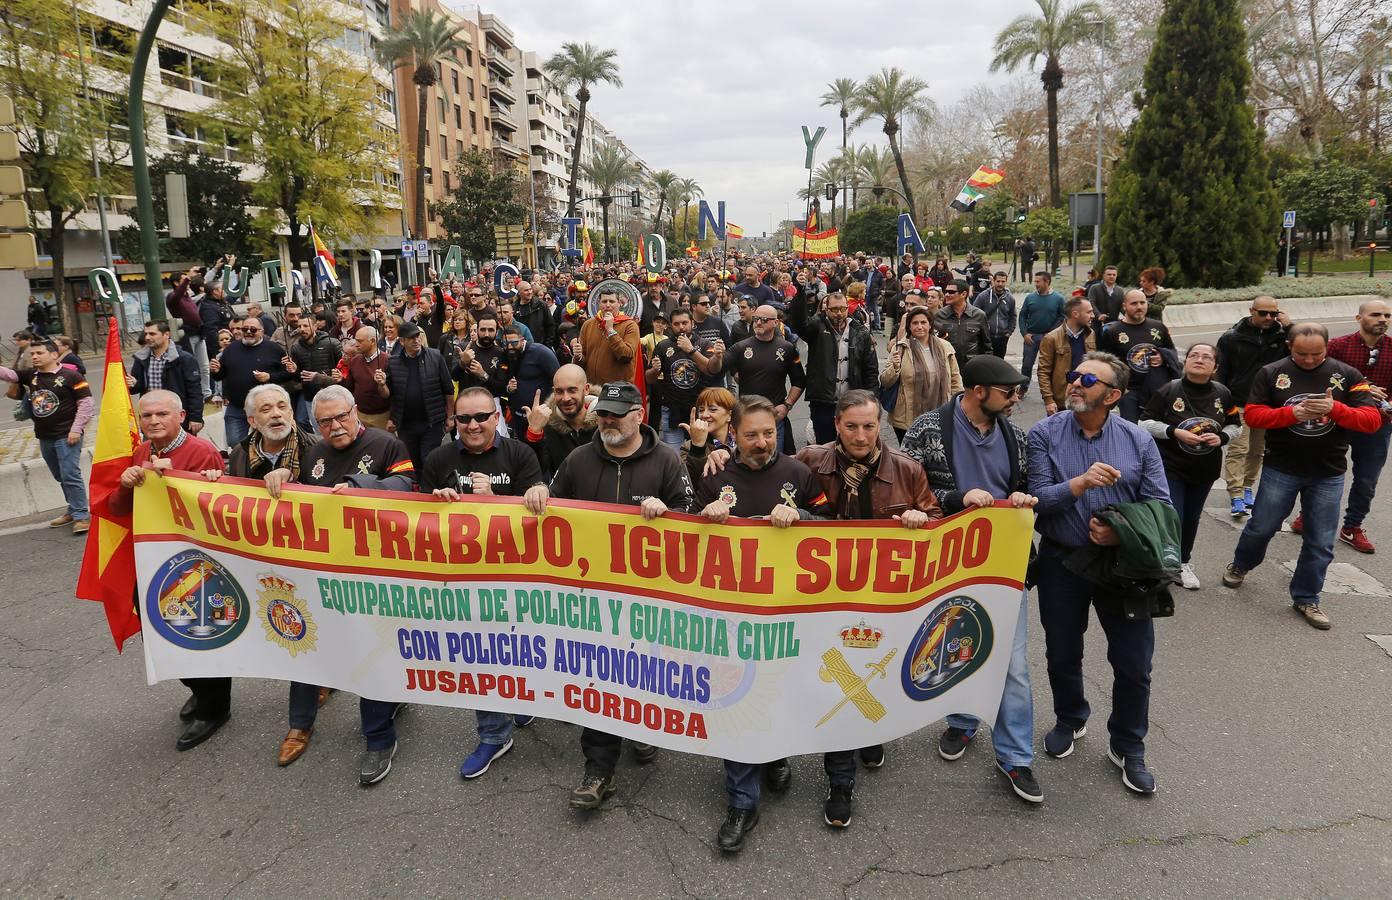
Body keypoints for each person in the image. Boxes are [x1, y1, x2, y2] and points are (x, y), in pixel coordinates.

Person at [899, 356, 1042, 804]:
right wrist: (957, 498)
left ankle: (1016, 757)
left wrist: (1021, 497)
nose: (1016, 398)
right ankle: (962, 724)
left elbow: (1031, 484)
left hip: (1002, 565)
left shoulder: (1016, 438)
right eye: (1008, 392)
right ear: (979, 391)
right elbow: (906, 487)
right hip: (947, 566)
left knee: (1013, 665)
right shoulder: (926, 429)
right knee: (955, 646)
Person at [1027, 352, 1170, 795]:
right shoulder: (1043, 434)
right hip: (1062, 560)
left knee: (1133, 662)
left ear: (1112, 395)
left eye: (1086, 379)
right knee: (1062, 652)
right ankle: (1071, 717)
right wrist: (1079, 484)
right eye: (1073, 375)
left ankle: (1128, 744)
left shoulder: (1137, 441)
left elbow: (1160, 503)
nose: (1074, 383)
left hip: (1123, 565)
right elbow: (1035, 501)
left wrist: (1120, 532)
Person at [799, 390, 943, 826]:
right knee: (840, 678)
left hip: (884, 597)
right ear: (836, 424)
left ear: (880, 424)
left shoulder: (908, 469)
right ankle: (840, 781)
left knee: (876, 668)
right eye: (851, 426)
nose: (861, 436)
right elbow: (772, 486)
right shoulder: (808, 461)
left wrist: (924, 520)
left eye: (869, 426)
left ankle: (871, 731)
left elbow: (938, 524)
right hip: (824, 595)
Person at [547, 382, 692, 811]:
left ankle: (645, 732)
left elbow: (689, 513)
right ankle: (598, 771)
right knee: (599, 678)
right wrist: (538, 495)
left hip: (648, 595)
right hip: (591, 596)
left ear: (639, 413)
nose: (608, 420)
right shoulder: (578, 458)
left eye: (617, 413)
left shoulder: (667, 459)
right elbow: (553, 506)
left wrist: (666, 514)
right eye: (603, 413)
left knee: (644, 669)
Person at [695, 395, 829, 852]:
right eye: (750, 434)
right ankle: (741, 802)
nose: (761, 442)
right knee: (737, 700)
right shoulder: (716, 474)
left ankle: (775, 755)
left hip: (787, 612)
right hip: (730, 616)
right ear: (732, 433)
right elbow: (683, 536)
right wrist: (704, 520)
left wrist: (804, 516)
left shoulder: (798, 473)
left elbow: (835, 526)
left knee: (780, 692)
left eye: (768, 432)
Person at [279, 385, 416, 782]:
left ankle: (379, 739)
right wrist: (282, 479)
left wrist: (361, 486)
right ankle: (299, 724)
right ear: (316, 424)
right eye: (325, 421)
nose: (335, 426)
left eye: (341, 416)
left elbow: (408, 488)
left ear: (355, 412)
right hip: (321, 569)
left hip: (370, 572)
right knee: (303, 642)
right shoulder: (314, 454)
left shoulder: (388, 444)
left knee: (369, 650)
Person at [421, 387, 549, 779]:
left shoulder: (520, 456)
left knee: (521, 645)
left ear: (497, 417)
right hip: (463, 581)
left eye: (481, 417)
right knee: (483, 655)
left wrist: (494, 501)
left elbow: (537, 514)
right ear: (453, 422)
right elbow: (416, 523)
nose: (473, 425)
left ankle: (523, 695)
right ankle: (494, 736)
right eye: (464, 419)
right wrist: (434, 500)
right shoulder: (439, 458)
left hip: (514, 576)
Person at [1222, 324, 1383, 630]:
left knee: (1321, 541)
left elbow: (1372, 421)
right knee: (1261, 527)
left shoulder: (1348, 375)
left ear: (1327, 348)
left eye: (1316, 354)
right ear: (1288, 346)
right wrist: (1290, 415)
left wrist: (1335, 408)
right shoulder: (1270, 373)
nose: (1309, 360)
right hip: (1281, 467)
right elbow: (1253, 415)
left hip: (1329, 472)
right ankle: (1241, 564)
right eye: (1301, 354)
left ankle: (1307, 597)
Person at [106, 391, 227, 749]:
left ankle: (215, 707)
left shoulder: (201, 451)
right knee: (159, 632)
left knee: (199, 634)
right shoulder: (142, 452)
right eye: (147, 415)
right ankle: (195, 687)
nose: (154, 421)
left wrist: (174, 479)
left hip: (194, 566)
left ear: (181, 416)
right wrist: (128, 483)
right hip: (153, 561)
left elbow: (211, 509)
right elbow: (116, 508)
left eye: (162, 414)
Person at [1139, 344, 1240, 590]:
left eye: (1207, 357)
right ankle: (1164, 564)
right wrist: (1174, 432)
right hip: (1170, 466)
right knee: (1172, 516)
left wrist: (1222, 438)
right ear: (1185, 363)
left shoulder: (1223, 393)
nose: (1199, 360)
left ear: (1215, 367)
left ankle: (1183, 562)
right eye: (1194, 355)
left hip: (1205, 469)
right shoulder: (1169, 390)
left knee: (1191, 518)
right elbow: (1143, 423)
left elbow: (1235, 425)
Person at [1309, 299, 1392, 552]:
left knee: (1367, 479)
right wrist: (1363, 387)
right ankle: (1308, 515)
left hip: (1377, 423)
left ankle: (1352, 526)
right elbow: (1317, 377)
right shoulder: (1337, 346)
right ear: (1359, 319)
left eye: (1387, 315)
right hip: (1336, 420)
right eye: (1376, 314)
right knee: (1320, 471)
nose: (1383, 319)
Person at [0, 339, 93, 533]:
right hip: (45, 436)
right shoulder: (30, 376)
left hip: (67, 435)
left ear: (53, 355)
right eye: (32, 354)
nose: (34, 357)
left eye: (39, 353)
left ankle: (81, 515)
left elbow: (86, 403)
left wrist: (76, 429)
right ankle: (73, 509)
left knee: (70, 474)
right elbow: (8, 374)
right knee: (60, 475)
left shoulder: (71, 376)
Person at [1216, 296, 1291, 517]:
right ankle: (1236, 494)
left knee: (1257, 451)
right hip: (1239, 402)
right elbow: (1221, 371)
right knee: (1239, 449)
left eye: (1273, 313)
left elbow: (1305, 344)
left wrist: (1289, 325)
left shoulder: (1283, 336)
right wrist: (1222, 400)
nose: (1269, 317)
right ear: (1251, 311)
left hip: (1267, 404)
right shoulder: (1232, 337)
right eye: (1263, 313)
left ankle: (1248, 486)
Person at [789, 290, 878, 444]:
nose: (839, 313)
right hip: (823, 402)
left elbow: (870, 369)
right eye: (834, 309)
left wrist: (871, 400)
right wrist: (800, 293)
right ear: (826, 309)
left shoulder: (860, 332)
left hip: (853, 402)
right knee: (826, 447)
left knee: (852, 444)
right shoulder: (816, 327)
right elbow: (799, 324)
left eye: (843, 309)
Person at [724, 304, 806, 453]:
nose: (758, 323)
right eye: (755, 319)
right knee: (747, 462)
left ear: (776, 322)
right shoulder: (740, 347)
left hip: (774, 418)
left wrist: (787, 405)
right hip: (746, 416)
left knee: (775, 463)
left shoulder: (788, 348)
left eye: (764, 319)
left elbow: (799, 380)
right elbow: (715, 369)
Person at [880, 307, 961, 443]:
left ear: (930, 325)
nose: (919, 326)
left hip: (940, 413)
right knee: (910, 458)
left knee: (937, 455)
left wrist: (957, 406)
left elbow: (955, 379)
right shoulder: (900, 348)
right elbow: (885, 381)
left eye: (923, 322)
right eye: (915, 323)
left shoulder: (945, 347)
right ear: (909, 327)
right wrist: (895, 367)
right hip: (907, 416)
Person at [646, 309, 725, 448]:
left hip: (701, 410)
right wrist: (655, 369)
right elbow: (649, 379)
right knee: (674, 456)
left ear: (692, 323)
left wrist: (691, 350)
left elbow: (712, 370)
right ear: (671, 326)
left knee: (700, 453)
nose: (681, 327)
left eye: (685, 323)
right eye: (677, 324)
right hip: (671, 410)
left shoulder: (705, 343)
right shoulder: (663, 346)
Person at [383, 321, 455, 473]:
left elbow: (448, 390)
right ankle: (416, 491)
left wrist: (450, 416)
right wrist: (381, 384)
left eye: (417, 336)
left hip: (432, 422)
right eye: (411, 338)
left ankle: (430, 490)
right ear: (401, 341)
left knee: (428, 458)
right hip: (406, 425)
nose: (416, 340)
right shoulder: (393, 362)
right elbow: (389, 395)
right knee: (412, 462)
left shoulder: (435, 357)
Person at [209, 316, 292, 447]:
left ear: (261, 331)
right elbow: (220, 376)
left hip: (265, 407)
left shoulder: (274, 349)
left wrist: (269, 377)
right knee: (235, 442)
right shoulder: (231, 349)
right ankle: (244, 464)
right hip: (237, 406)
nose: (248, 332)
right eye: (245, 329)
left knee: (268, 442)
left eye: (253, 329)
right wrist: (216, 371)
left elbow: (288, 374)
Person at [1097, 290, 1177, 422]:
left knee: (1156, 428)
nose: (1139, 307)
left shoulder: (1158, 327)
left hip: (1156, 390)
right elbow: (1103, 363)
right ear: (1124, 306)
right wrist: (1117, 387)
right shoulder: (1112, 331)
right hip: (1129, 392)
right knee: (1131, 430)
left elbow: (1172, 352)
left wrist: (1163, 357)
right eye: (1134, 303)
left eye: (1142, 302)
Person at [127, 321, 203, 434]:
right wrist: (133, 384)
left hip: (176, 419)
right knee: (153, 451)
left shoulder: (184, 359)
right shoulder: (141, 358)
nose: (147, 337)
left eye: (152, 334)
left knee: (180, 451)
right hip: (151, 420)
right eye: (146, 333)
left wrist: (196, 417)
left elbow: (194, 390)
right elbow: (137, 388)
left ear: (166, 335)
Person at [521, 364, 596, 479]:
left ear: (586, 389)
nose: (566, 398)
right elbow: (532, 473)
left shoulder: (605, 423)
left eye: (572, 390)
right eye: (559, 391)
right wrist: (534, 433)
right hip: (563, 496)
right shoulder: (548, 427)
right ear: (554, 392)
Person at [1036, 298, 1096, 416]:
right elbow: (1043, 371)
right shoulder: (1051, 338)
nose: (1093, 315)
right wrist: (1049, 400)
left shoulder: (1091, 334)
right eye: (1089, 312)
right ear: (1075, 314)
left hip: (1085, 397)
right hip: (1062, 401)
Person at [284, 314, 342, 434]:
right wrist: (294, 370)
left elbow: (344, 369)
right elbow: (298, 378)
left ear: (315, 326)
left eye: (306, 325)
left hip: (333, 394)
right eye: (300, 326)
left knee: (337, 427)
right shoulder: (296, 348)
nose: (302, 329)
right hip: (310, 396)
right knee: (320, 431)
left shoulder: (331, 343)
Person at [575, 288, 642, 387]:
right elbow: (583, 359)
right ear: (599, 303)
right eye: (604, 301)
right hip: (591, 388)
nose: (608, 305)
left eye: (612, 301)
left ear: (619, 303)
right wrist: (578, 356)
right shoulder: (588, 324)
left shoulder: (630, 325)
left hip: (617, 390)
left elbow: (626, 356)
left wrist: (610, 330)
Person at [498, 326, 560, 423]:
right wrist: (508, 388)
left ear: (522, 340)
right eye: (505, 343)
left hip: (541, 416)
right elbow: (501, 381)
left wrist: (551, 406)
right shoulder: (504, 354)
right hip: (517, 415)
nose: (510, 347)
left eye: (514, 343)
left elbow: (558, 379)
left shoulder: (541, 352)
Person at [338, 326, 392, 431]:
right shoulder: (354, 361)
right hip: (359, 415)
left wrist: (382, 384)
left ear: (372, 341)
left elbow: (391, 394)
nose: (356, 344)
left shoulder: (388, 361)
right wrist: (341, 380)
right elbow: (350, 387)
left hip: (381, 417)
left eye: (359, 341)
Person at [1018, 272, 1066, 388]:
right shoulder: (1030, 297)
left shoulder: (1058, 299)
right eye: (1035, 281)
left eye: (1038, 282)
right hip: (1031, 337)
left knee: (1048, 366)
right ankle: (1023, 387)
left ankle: (1050, 391)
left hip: (1049, 339)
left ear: (1047, 282)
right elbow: (1022, 315)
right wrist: (1025, 333)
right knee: (1027, 365)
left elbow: (1063, 317)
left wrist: (1050, 334)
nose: (1035, 284)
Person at [933, 281, 992, 363]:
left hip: (971, 365)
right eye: (946, 291)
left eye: (951, 292)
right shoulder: (939, 315)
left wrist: (986, 365)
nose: (946, 295)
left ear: (963, 294)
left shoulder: (979, 315)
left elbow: (986, 346)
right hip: (947, 364)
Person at [972, 270, 1017, 359]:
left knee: (999, 361)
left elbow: (1013, 316)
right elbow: (974, 313)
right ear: (993, 281)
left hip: (1002, 337)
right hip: (986, 337)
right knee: (985, 361)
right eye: (998, 281)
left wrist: (1009, 332)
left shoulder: (1010, 298)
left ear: (1006, 282)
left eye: (1003, 281)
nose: (1000, 284)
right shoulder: (983, 296)